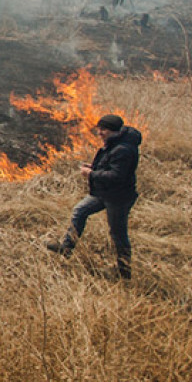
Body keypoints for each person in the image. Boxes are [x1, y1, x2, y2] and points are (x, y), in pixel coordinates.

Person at [45, 114, 142, 279]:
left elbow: (116, 176)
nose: (99, 133)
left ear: (113, 131)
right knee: (80, 211)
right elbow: (110, 166)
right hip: (103, 192)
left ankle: (124, 271)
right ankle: (67, 248)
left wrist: (91, 174)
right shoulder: (115, 143)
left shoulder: (123, 150)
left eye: (103, 129)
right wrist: (94, 167)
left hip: (118, 197)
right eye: (99, 129)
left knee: (118, 234)